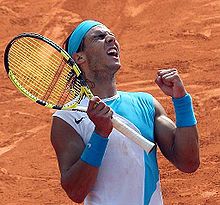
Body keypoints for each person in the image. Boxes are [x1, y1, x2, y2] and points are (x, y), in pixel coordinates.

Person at [50, 20, 200, 205]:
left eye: (111, 35)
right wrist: (100, 134)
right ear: (79, 57)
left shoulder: (146, 103)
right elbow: (76, 192)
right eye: (99, 36)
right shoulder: (67, 119)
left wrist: (182, 101)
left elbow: (189, 163)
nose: (111, 39)